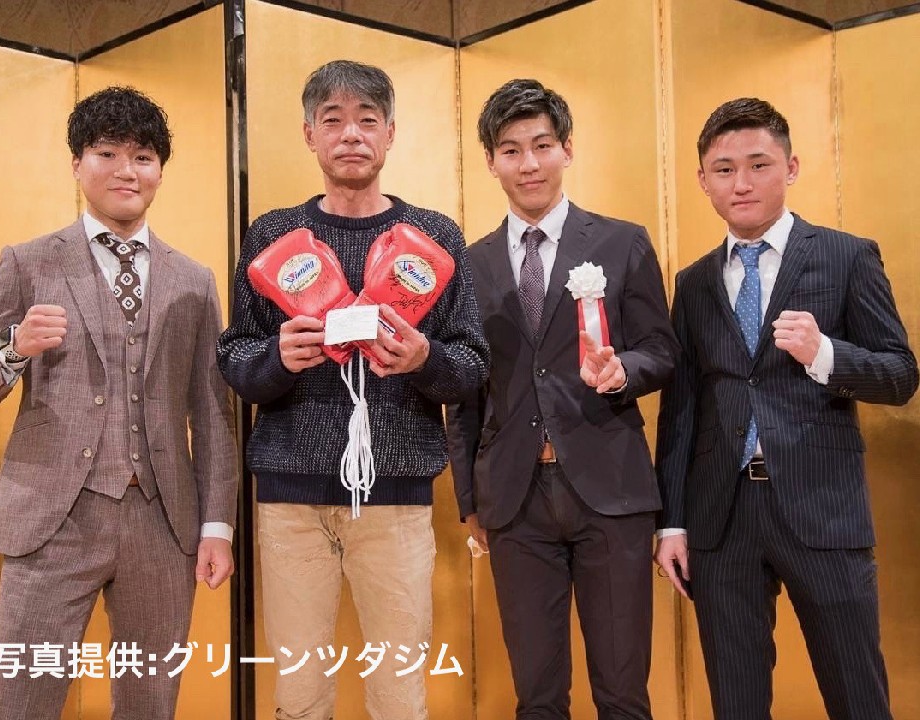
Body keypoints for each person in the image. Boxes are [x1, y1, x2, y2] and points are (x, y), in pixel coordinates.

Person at [216, 59, 489, 720]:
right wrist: (279, 358)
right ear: (309, 134)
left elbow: (472, 364)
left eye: (368, 120)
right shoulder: (275, 236)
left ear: (390, 133)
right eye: (332, 120)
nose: (351, 135)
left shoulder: (434, 238)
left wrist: (424, 358)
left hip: (396, 496)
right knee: (299, 692)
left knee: (399, 694)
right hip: (290, 499)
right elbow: (235, 358)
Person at [0, 86, 238, 720]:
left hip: (163, 521)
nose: (125, 170)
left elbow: (212, 414)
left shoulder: (193, 280)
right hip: (50, 518)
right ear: (77, 163)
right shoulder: (28, 263)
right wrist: (13, 346)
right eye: (107, 153)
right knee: (20, 699)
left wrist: (216, 527)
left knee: (150, 702)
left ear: (159, 170)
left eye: (142, 157)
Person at [654, 97, 918, 720]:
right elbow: (681, 407)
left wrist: (825, 353)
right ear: (702, 180)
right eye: (724, 170)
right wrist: (673, 522)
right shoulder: (693, 281)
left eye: (759, 165)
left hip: (823, 508)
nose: (741, 183)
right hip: (721, 519)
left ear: (791, 167)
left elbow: (900, 375)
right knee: (737, 701)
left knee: (857, 694)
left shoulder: (846, 256)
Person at [446, 78, 678, 720]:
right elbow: (465, 395)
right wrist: (470, 500)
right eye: (511, 150)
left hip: (611, 492)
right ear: (491, 161)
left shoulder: (621, 242)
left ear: (567, 149)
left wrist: (623, 370)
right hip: (514, 501)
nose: (529, 164)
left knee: (623, 692)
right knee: (538, 695)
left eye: (542, 145)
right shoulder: (470, 264)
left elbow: (662, 350)